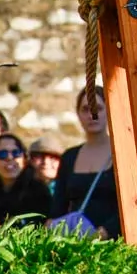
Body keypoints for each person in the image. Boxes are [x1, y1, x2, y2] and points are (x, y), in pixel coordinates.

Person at [50, 86, 119, 239]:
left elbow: (132, 203)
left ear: (109, 111)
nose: (92, 115)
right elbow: (58, 206)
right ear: (78, 114)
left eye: (98, 108)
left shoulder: (122, 153)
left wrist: (104, 232)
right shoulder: (69, 157)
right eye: (86, 109)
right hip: (76, 242)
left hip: (114, 241)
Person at [0, 133, 52, 228]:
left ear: (24, 160)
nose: (9, 158)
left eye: (16, 153)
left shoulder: (39, 193)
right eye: (2, 154)